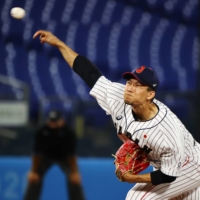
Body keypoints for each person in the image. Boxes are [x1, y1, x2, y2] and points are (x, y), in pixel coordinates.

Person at [32, 30, 200, 200]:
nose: (129, 87)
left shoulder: (166, 131)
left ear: (150, 95)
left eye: (138, 85)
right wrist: (59, 44)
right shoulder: (118, 97)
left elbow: (168, 176)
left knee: (137, 198)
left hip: (189, 165)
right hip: (167, 164)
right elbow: (89, 73)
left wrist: (132, 178)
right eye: (129, 82)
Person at [24, 110, 85, 200]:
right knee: (34, 178)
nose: (53, 124)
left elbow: (71, 155)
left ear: (61, 121)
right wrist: (34, 171)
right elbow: (37, 153)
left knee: (74, 180)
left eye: (55, 121)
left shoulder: (69, 132)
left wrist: (74, 172)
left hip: (64, 157)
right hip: (46, 157)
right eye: (51, 121)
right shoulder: (41, 131)